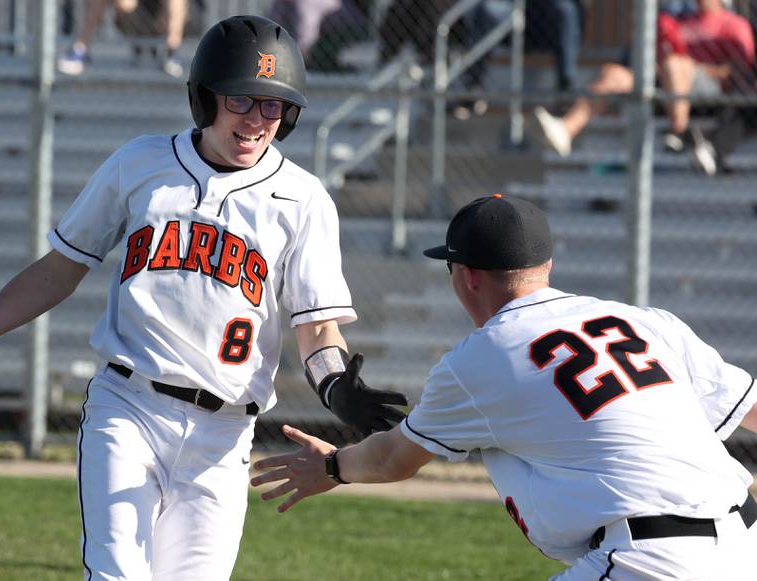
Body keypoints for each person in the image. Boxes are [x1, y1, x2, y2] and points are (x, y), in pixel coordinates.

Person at [0, 15, 407, 580]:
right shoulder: (140, 164)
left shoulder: (303, 199)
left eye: (274, 106)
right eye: (242, 100)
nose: (257, 120)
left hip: (225, 435)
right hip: (130, 408)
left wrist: (337, 386)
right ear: (205, 98)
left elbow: (317, 329)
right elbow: (59, 270)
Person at [251, 193, 757, 580]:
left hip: (653, 559)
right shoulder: (644, 321)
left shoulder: (485, 356)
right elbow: (750, 408)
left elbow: (391, 460)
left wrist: (333, 466)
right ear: (547, 267)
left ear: (467, 277)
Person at [534, 0, 754, 157]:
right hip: (664, 82)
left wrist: (696, 68)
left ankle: (679, 132)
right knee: (614, 73)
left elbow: (740, 72)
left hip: (709, 90)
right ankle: (566, 128)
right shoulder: (680, 21)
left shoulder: (734, 25)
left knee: (676, 64)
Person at [57, 0, 189, 78]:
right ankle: (81, 49)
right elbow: (125, 5)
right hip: (134, 17)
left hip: (167, 20)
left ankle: (172, 53)